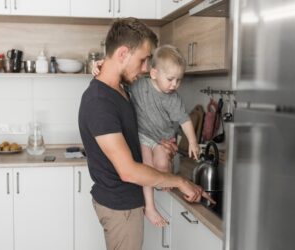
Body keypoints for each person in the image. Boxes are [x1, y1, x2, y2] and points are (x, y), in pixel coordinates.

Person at [78, 17, 212, 250]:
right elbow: (128, 172)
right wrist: (180, 181)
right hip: (120, 209)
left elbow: (140, 134)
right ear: (122, 54)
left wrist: (163, 146)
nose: (144, 68)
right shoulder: (99, 102)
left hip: (127, 204)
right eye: (142, 59)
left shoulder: (120, 89)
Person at [93, 44, 202, 227]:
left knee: (161, 165)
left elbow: (185, 120)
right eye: (170, 79)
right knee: (147, 167)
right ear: (153, 73)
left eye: (179, 80)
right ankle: (150, 207)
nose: (175, 85)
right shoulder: (138, 84)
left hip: (162, 140)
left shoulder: (173, 98)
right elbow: (117, 75)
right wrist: (100, 65)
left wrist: (192, 141)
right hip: (143, 136)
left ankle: (165, 181)